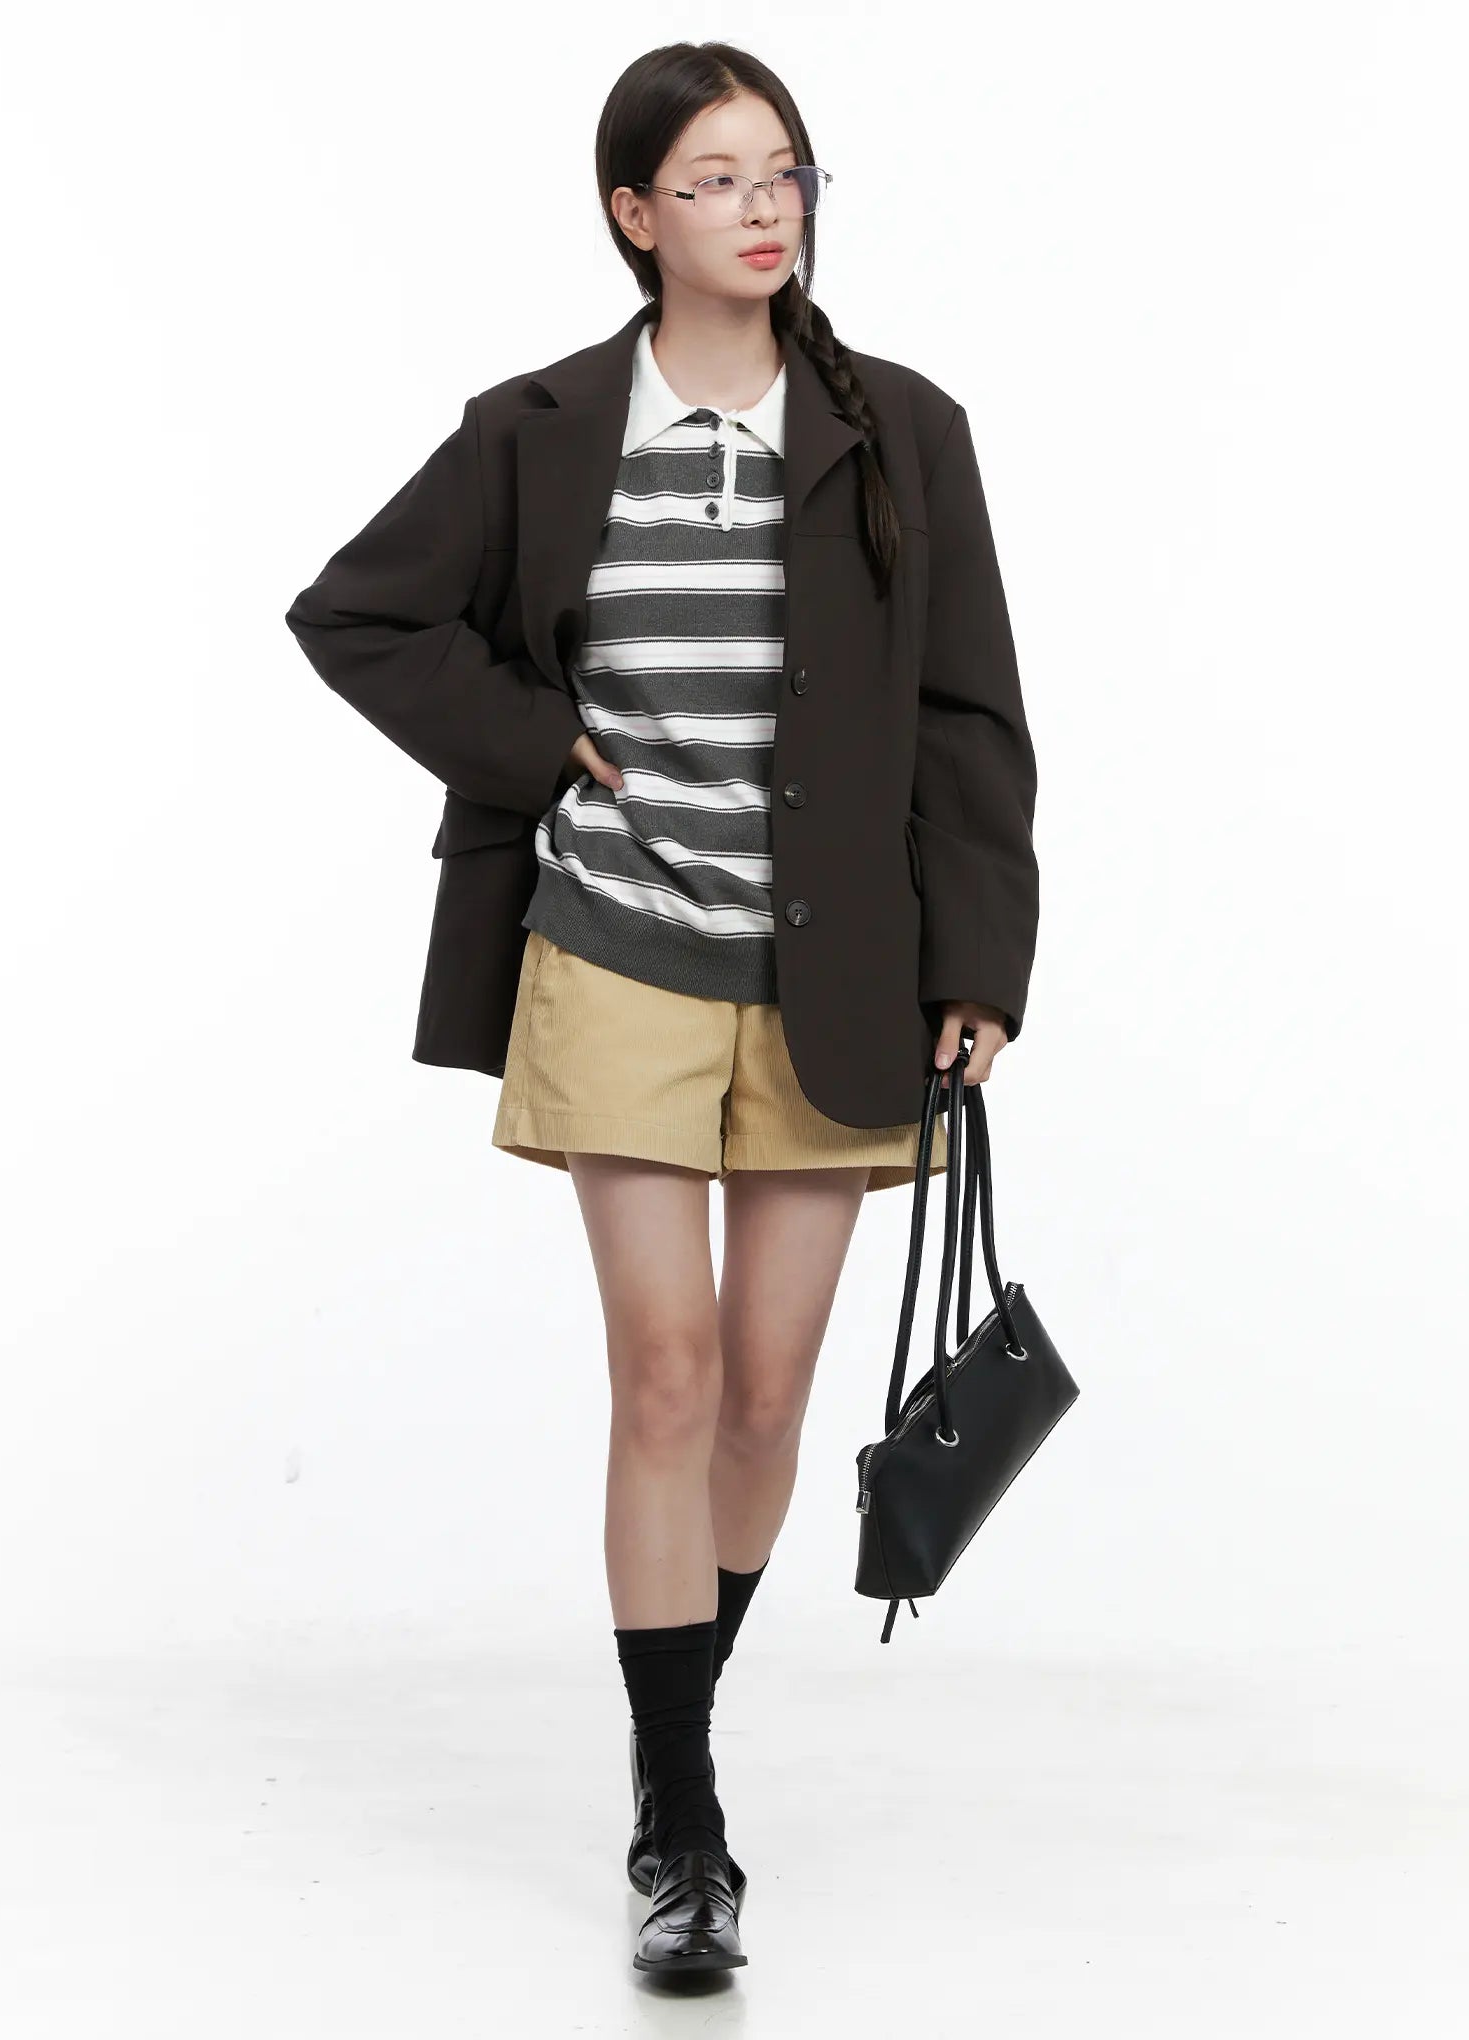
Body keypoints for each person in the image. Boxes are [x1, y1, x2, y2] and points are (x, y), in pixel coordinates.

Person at [284, 39, 1039, 1984]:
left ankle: (674, 1739)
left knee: (772, 1397)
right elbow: (357, 613)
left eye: (786, 172)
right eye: (715, 180)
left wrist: (978, 963)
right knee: (672, 1378)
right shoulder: (540, 431)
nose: (764, 208)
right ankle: (681, 1813)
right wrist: (541, 744)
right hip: (616, 949)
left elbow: (968, 711)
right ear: (634, 216)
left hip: (840, 971)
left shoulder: (901, 429)